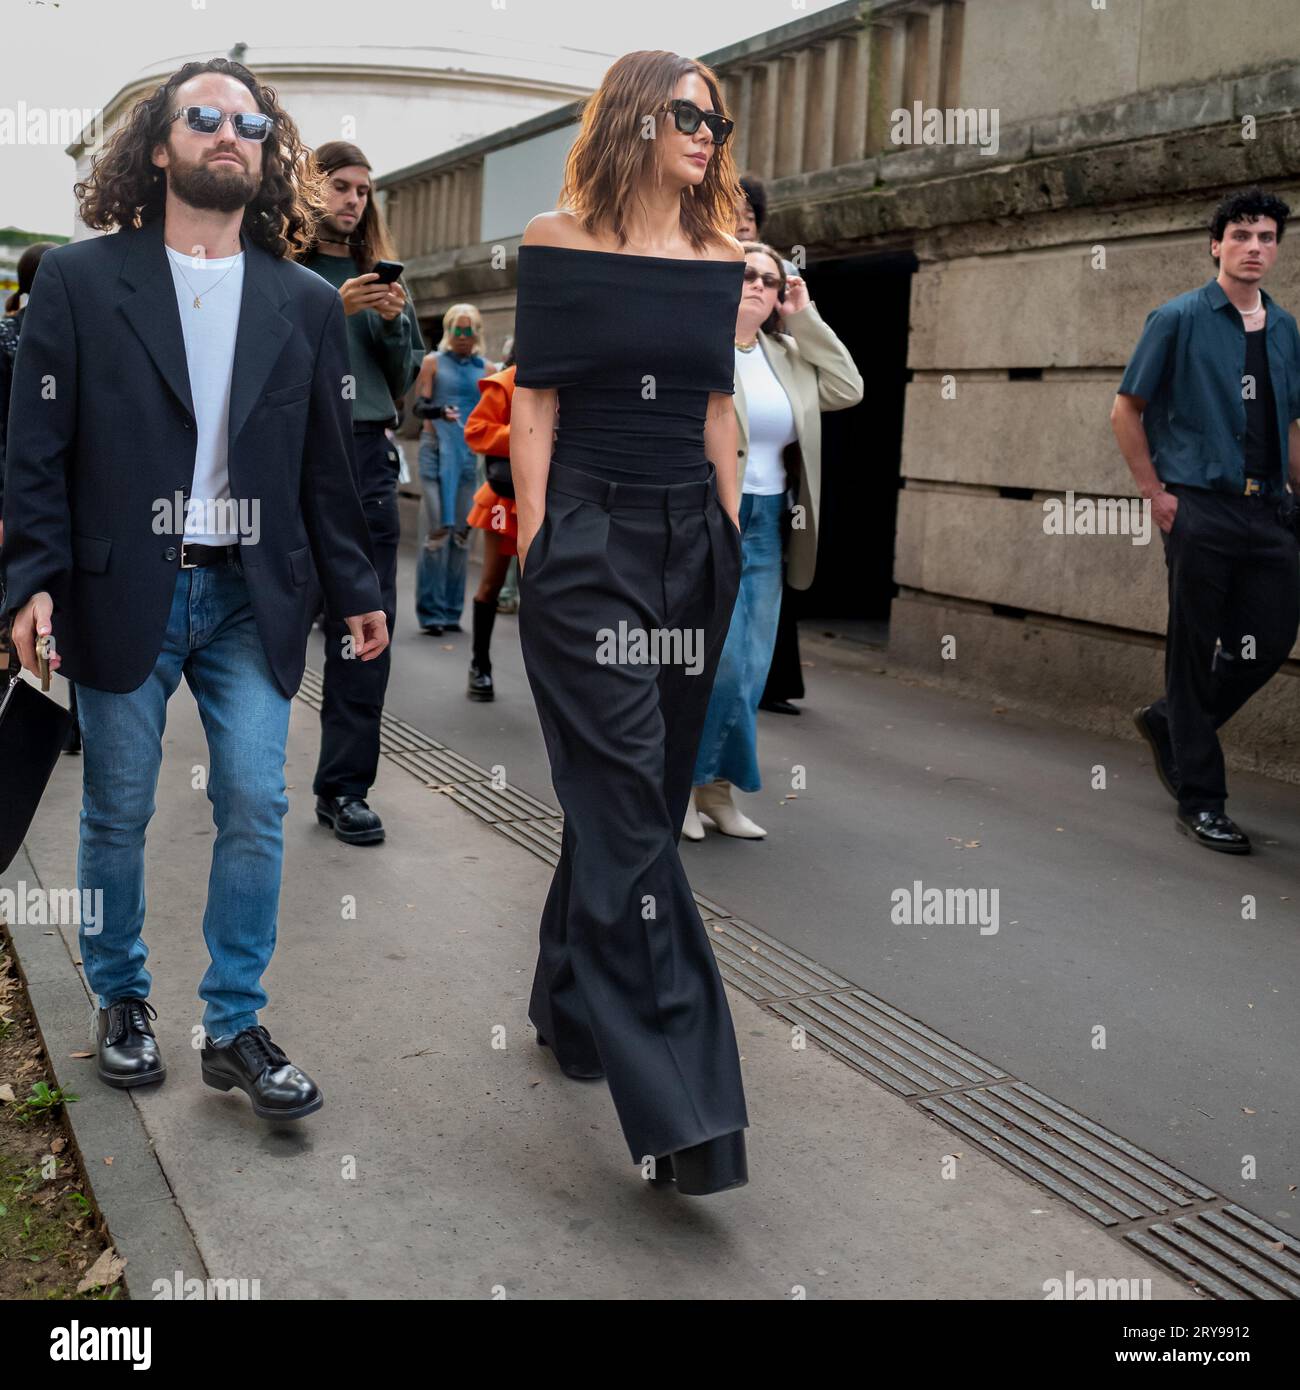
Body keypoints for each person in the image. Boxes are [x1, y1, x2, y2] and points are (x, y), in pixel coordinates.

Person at [0, 58, 388, 1118]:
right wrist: (28, 581)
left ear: (267, 151)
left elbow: (327, 463)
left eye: (249, 123)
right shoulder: (81, 280)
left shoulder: (305, 301)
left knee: (256, 801)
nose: (229, 133)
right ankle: (123, 1000)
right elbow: (37, 447)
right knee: (117, 808)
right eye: (204, 117)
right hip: (123, 587)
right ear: (160, 144)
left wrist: (355, 584)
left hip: (251, 596)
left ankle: (232, 1022)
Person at [512, 50, 750, 1196]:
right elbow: (537, 403)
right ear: (635, 118)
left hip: (691, 547)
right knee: (627, 807)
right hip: (591, 541)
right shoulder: (558, 240)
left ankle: (568, 1001)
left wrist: (731, 538)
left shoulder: (718, 259)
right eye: (689, 113)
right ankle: (685, 1108)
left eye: (720, 118)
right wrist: (547, 542)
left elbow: (716, 409)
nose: (708, 132)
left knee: (640, 796)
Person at [1113, 187, 1300, 854]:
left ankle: (1173, 723)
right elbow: (1125, 410)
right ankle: (1202, 798)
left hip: (1270, 509)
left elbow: (1292, 424)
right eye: (1242, 235)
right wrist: (1156, 494)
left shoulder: (1284, 329)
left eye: (1267, 237)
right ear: (1215, 244)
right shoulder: (1178, 318)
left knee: (1272, 638)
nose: (1255, 247)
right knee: (1194, 651)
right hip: (1201, 505)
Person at [684, 242, 862, 840]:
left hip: (770, 522)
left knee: (753, 668)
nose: (759, 285)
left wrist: (804, 316)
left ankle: (716, 792)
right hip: (709, 516)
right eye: (748, 275)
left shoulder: (786, 353)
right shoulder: (698, 348)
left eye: (772, 280)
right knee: (718, 661)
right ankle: (678, 782)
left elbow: (847, 387)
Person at [297, 140, 424, 847]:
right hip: (290, 459)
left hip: (367, 456)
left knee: (364, 633)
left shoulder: (380, 278)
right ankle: (241, 774)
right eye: (340, 186)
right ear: (310, 190)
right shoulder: (277, 267)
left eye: (363, 190)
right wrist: (330, 309)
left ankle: (344, 789)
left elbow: (406, 377)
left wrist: (392, 320)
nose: (353, 200)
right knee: (268, 627)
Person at [0, 243, 78, 752]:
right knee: (25, 608)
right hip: (27, 494)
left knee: (42, 606)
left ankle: (64, 713)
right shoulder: (13, 340)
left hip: (39, 494)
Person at [735, 174, 807, 716]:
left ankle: (718, 780)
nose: (741, 223)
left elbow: (846, 385)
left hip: (771, 498)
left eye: (750, 216)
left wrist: (802, 316)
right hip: (717, 499)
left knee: (754, 641)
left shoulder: (774, 301)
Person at [412, 305, 488, 634]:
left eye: (469, 330)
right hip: (435, 452)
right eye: (457, 329)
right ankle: (430, 613)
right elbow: (418, 406)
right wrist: (440, 411)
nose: (463, 337)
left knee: (460, 534)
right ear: (448, 330)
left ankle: (451, 612)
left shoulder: (486, 368)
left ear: (478, 332)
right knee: (436, 532)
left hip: (469, 455)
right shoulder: (432, 362)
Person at [462, 343, 519, 700]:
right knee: (492, 584)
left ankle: (550, 678)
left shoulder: (570, 384)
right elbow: (476, 431)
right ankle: (479, 665)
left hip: (556, 498)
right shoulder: (507, 382)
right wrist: (527, 433)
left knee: (547, 594)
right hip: (505, 498)